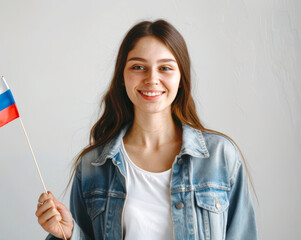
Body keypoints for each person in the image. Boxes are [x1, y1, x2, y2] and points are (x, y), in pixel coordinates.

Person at [35, 19, 258, 240]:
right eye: (138, 67)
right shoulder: (94, 165)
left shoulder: (220, 156)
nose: (152, 79)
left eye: (165, 68)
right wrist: (67, 235)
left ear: (181, 78)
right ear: (122, 77)